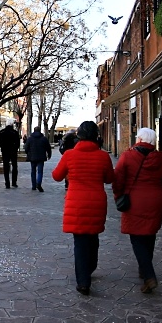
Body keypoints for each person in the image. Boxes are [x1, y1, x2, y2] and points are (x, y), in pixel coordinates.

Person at [50, 121, 115, 296]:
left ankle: (83, 281)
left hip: (76, 202)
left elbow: (56, 176)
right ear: (96, 136)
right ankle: (91, 266)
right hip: (96, 201)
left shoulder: (70, 155)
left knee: (79, 242)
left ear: (79, 135)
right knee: (93, 236)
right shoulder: (103, 156)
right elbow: (109, 178)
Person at [113, 127, 162, 294]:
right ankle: (143, 268)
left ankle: (149, 275)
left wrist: (119, 196)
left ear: (139, 139)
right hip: (155, 200)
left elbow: (117, 179)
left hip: (134, 200)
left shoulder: (128, 156)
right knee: (150, 235)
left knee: (137, 239)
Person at [24, 126, 53, 192]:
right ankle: (39, 183)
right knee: (40, 171)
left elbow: (26, 148)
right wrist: (49, 155)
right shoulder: (44, 139)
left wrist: (28, 154)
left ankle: (33, 186)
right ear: (40, 131)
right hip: (41, 157)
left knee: (33, 171)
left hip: (32, 157)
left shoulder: (30, 138)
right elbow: (48, 148)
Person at [0, 122, 21, 189]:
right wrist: (15, 148)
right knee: (14, 166)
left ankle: (7, 183)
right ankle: (14, 182)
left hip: (5, 152)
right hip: (13, 152)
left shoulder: (2, 132)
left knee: (6, 167)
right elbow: (18, 142)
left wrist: (3, 147)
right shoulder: (15, 132)